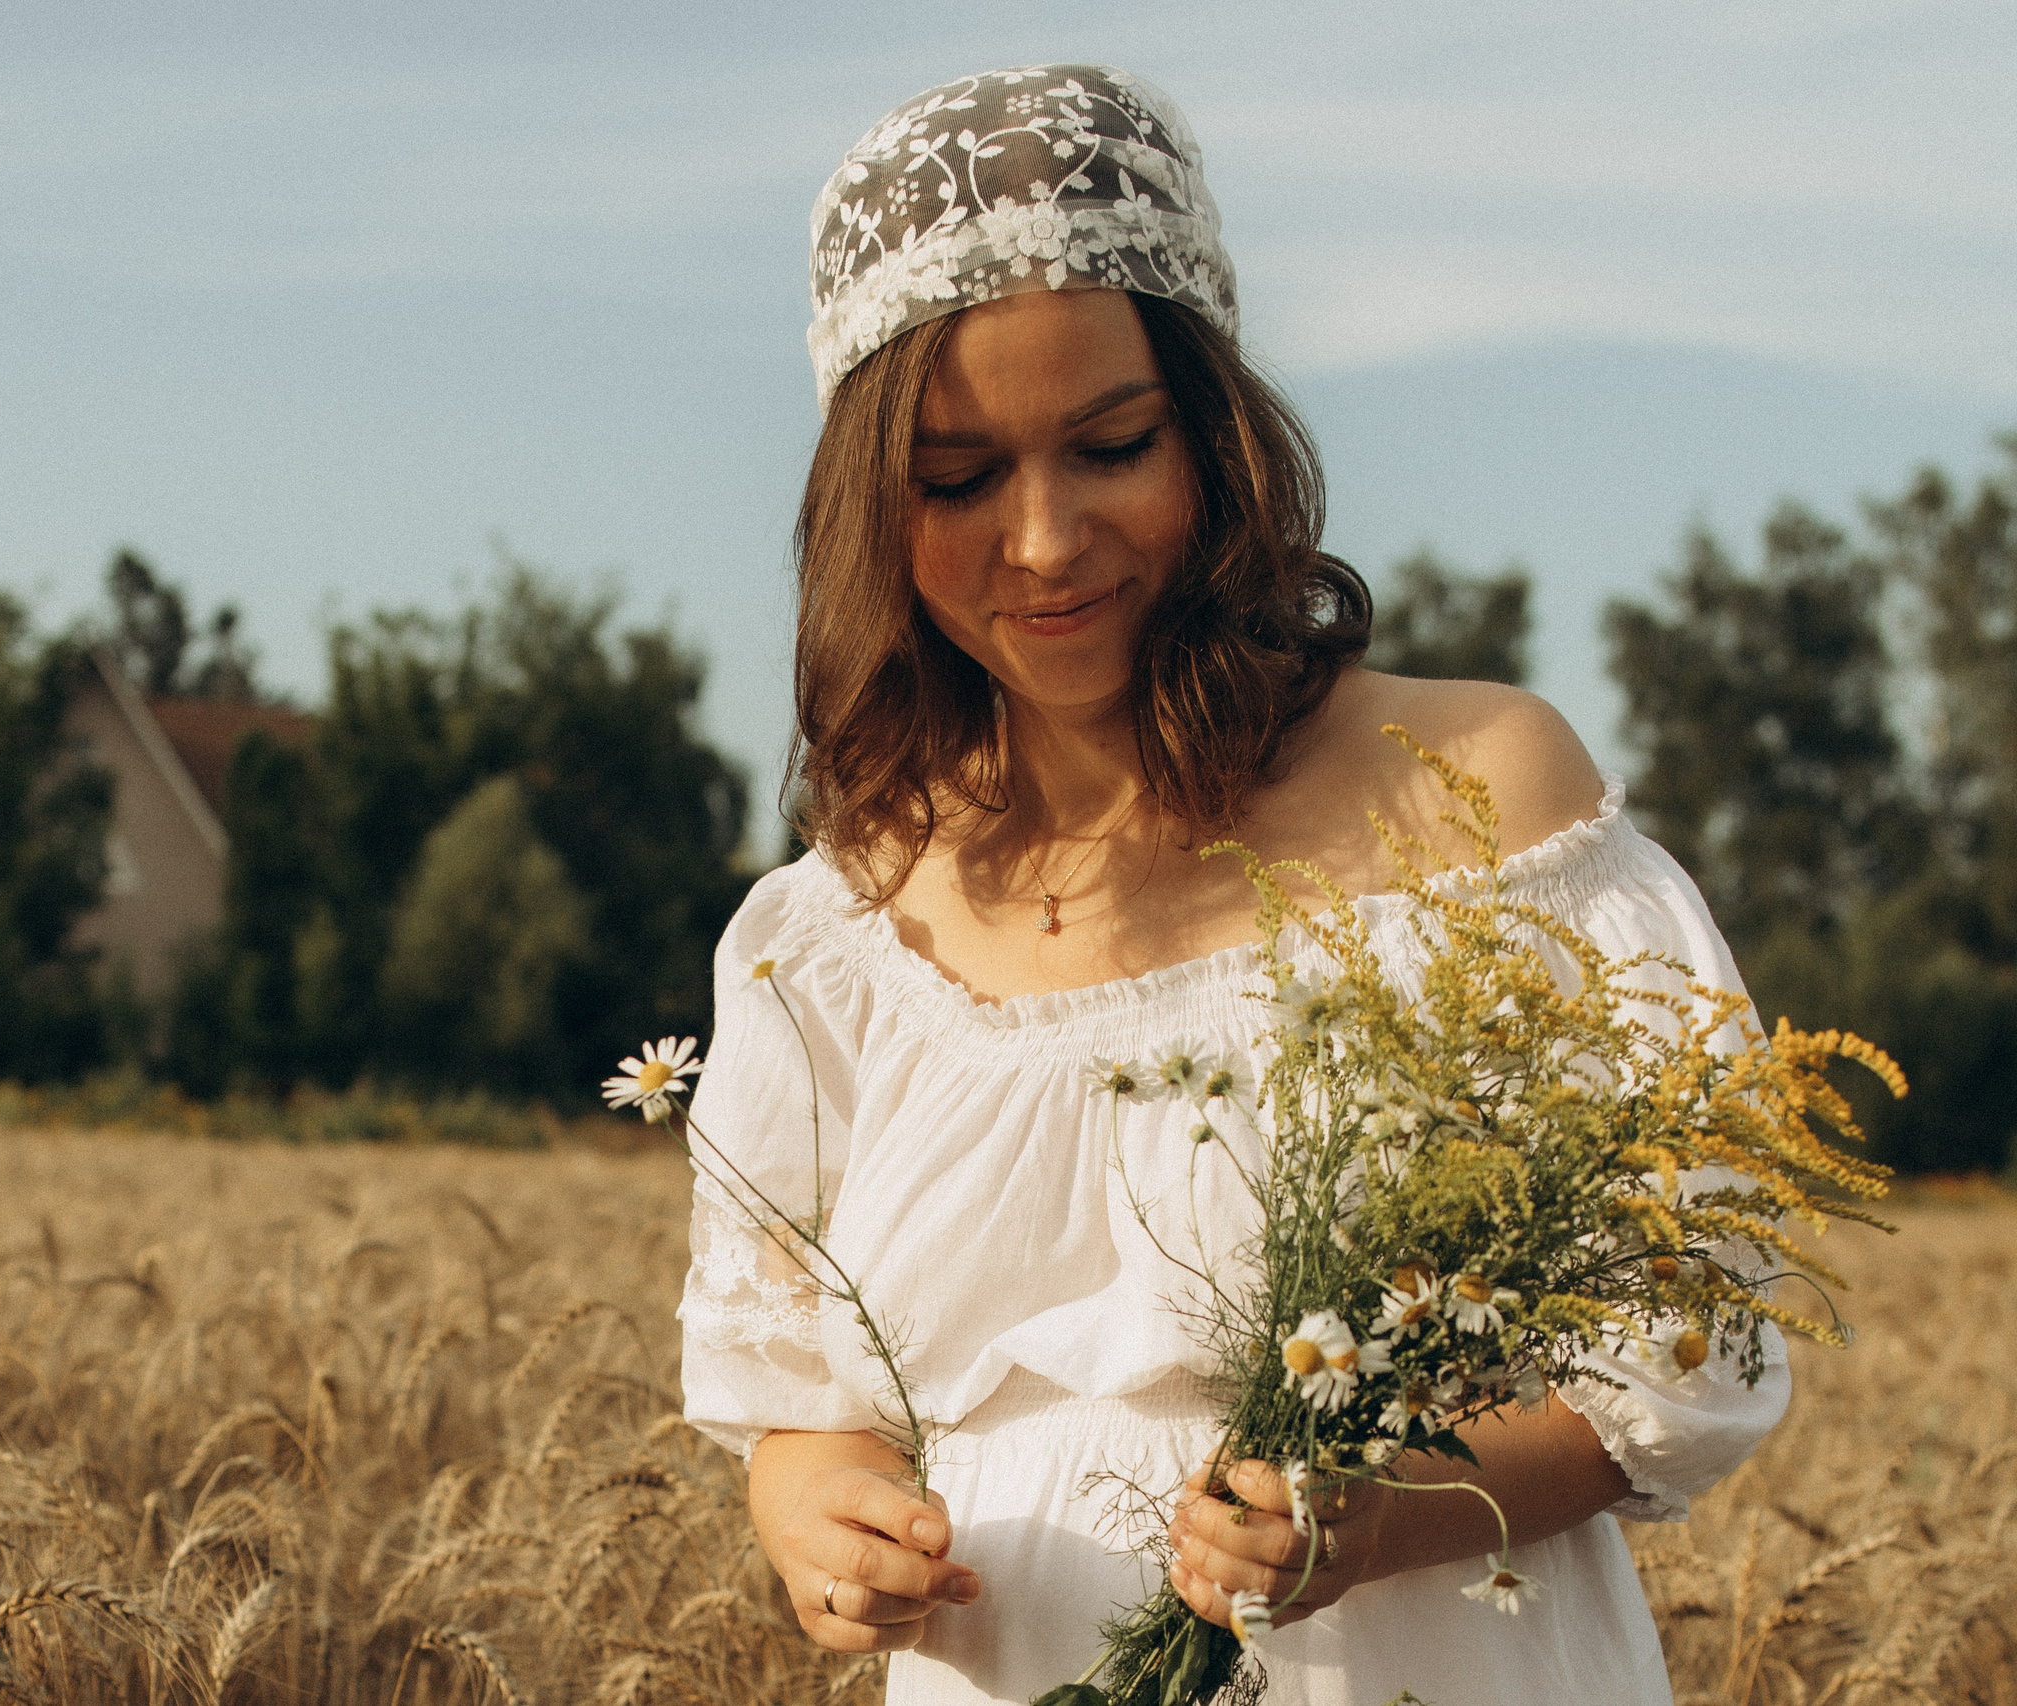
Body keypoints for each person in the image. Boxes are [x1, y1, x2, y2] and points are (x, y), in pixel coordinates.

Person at [675, 64, 1788, 1706]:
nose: (1044, 541)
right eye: (958, 478)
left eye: (1111, 446)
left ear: (1213, 433)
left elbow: (1697, 1340)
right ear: (865, 507)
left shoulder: (1481, 802)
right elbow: (793, 1398)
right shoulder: (838, 930)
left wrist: (1376, 1515)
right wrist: (815, 1516)